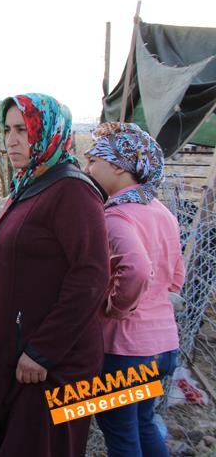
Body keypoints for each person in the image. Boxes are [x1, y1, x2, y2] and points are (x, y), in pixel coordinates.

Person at [0, 93, 110, 456]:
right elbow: (27, 250)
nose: (11, 140)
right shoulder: (30, 184)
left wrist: (44, 351)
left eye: (23, 129)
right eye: (8, 130)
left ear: (48, 132)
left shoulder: (73, 192)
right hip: (18, 347)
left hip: (52, 362)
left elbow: (91, 277)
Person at [84, 122, 184, 457]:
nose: (88, 169)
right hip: (163, 346)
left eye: (93, 161)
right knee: (143, 423)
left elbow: (137, 270)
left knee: (121, 434)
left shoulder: (115, 216)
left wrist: (115, 308)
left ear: (118, 166)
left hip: (125, 350)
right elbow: (176, 276)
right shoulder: (160, 212)